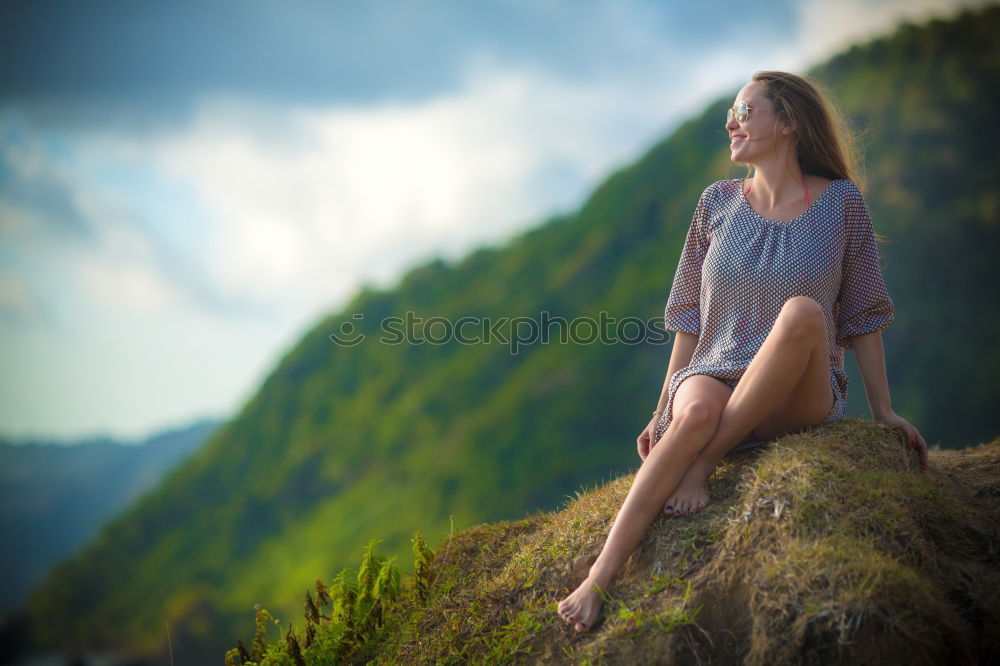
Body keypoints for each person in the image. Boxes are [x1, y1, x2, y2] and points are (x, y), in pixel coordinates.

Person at [557, 71, 929, 634]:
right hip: (715, 369)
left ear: (788, 123)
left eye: (746, 112)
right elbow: (687, 317)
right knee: (695, 411)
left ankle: (703, 463)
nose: (731, 123)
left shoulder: (842, 203)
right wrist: (663, 409)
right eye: (732, 112)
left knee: (803, 312)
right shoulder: (716, 203)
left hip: (797, 389)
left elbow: (863, 313)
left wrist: (883, 410)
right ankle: (598, 579)